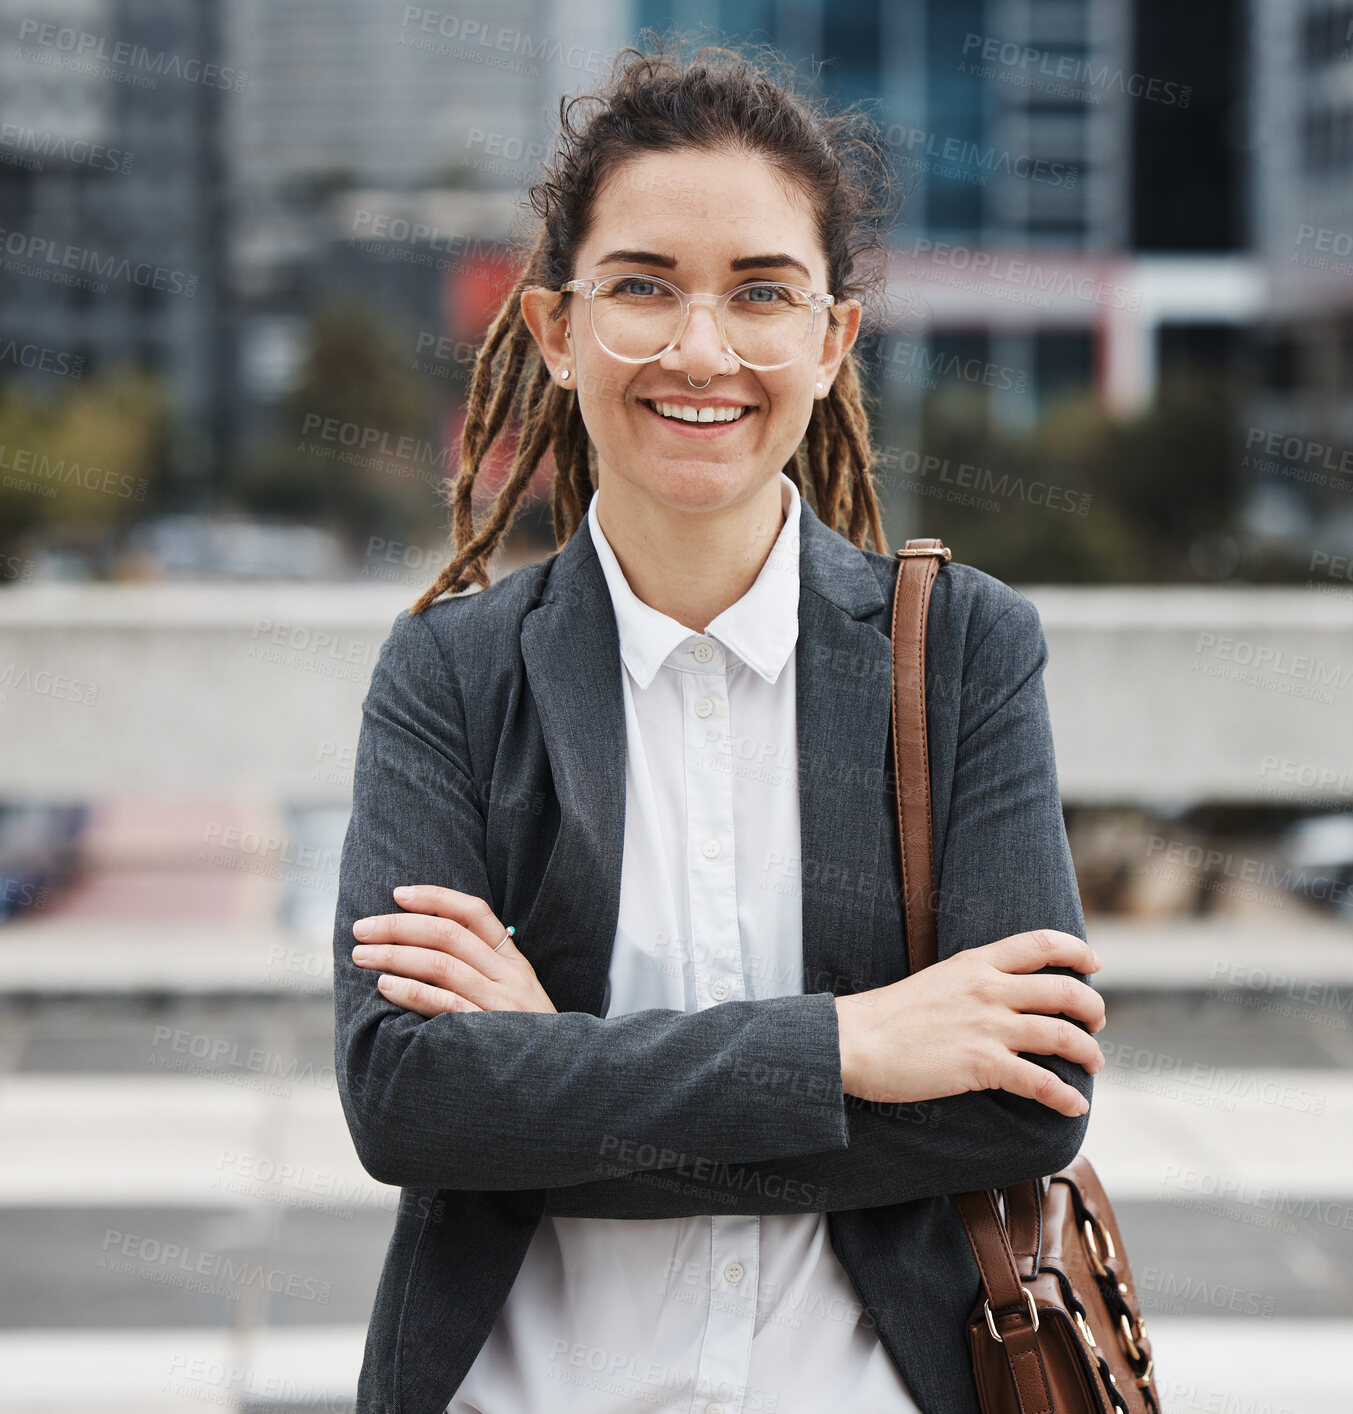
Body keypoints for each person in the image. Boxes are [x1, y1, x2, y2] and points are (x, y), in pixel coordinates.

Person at [332, 37, 1105, 1414]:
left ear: (831, 337)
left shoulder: (966, 654)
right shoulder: (448, 677)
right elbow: (409, 1103)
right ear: (557, 332)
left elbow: (1021, 1097)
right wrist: (852, 1046)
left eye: (761, 293)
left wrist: (550, 1070)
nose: (701, 349)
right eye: (642, 286)